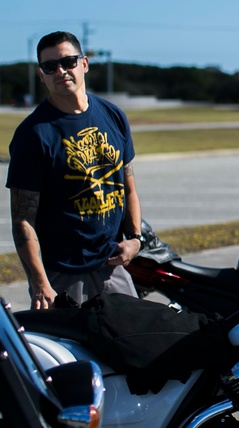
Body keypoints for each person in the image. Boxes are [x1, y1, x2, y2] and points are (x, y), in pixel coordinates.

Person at [6, 31, 144, 310]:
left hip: (113, 266)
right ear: (41, 74)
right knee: (71, 353)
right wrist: (40, 283)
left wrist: (135, 240)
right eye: (50, 66)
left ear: (84, 64)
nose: (61, 71)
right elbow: (23, 220)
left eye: (68, 62)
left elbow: (128, 186)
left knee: (133, 345)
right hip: (64, 276)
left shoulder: (113, 115)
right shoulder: (33, 134)